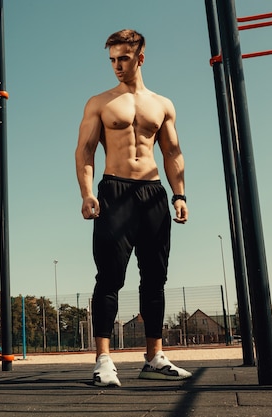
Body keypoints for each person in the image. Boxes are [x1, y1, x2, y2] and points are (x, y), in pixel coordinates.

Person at [75, 29, 192, 387]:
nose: (116, 66)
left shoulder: (163, 104)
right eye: (111, 59)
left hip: (154, 193)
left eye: (123, 58)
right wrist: (86, 192)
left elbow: (172, 153)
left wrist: (179, 194)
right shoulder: (100, 102)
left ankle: (154, 357)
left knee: (155, 277)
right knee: (110, 277)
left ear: (140, 58)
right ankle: (104, 360)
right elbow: (85, 150)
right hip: (115, 190)